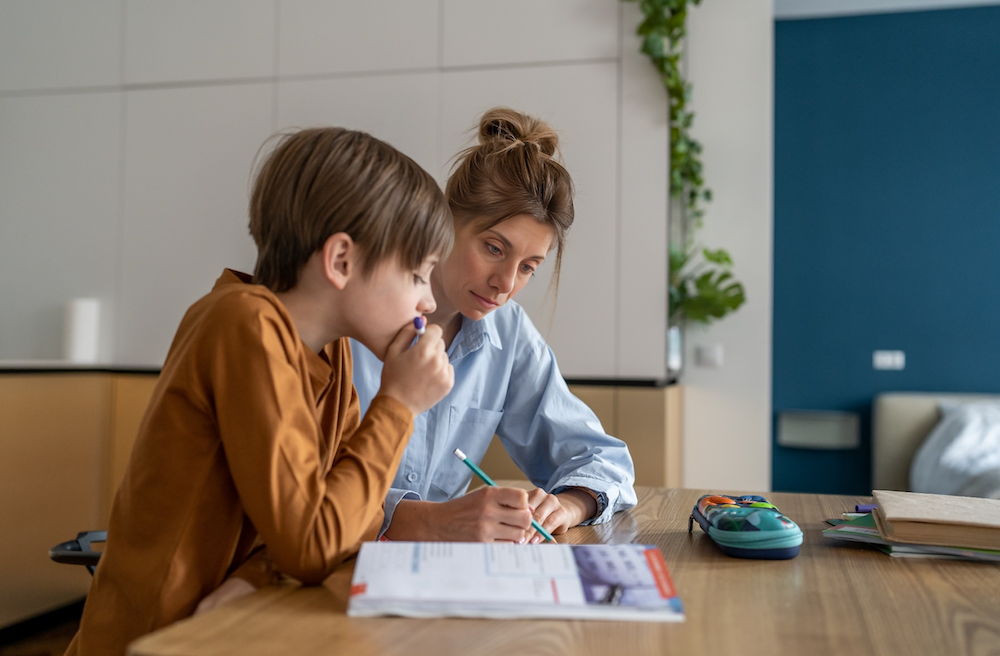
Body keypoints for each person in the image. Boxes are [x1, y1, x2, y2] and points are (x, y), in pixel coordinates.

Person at [65, 127, 455, 655]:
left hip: (235, 628)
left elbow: (354, 523)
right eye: (417, 274)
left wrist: (251, 576)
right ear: (341, 261)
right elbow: (315, 544)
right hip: (159, 642)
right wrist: (399, 405)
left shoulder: (332, 353)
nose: (429, 302)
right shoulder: (243, 323)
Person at [351, 108, 637, 544]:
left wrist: (569, 504)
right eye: (493, 248)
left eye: (528, 267)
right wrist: (432, 520)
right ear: (442, 221)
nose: (505, 284)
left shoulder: (507, 332)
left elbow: (603, 458)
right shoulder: (353, 318)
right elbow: (308, 489)